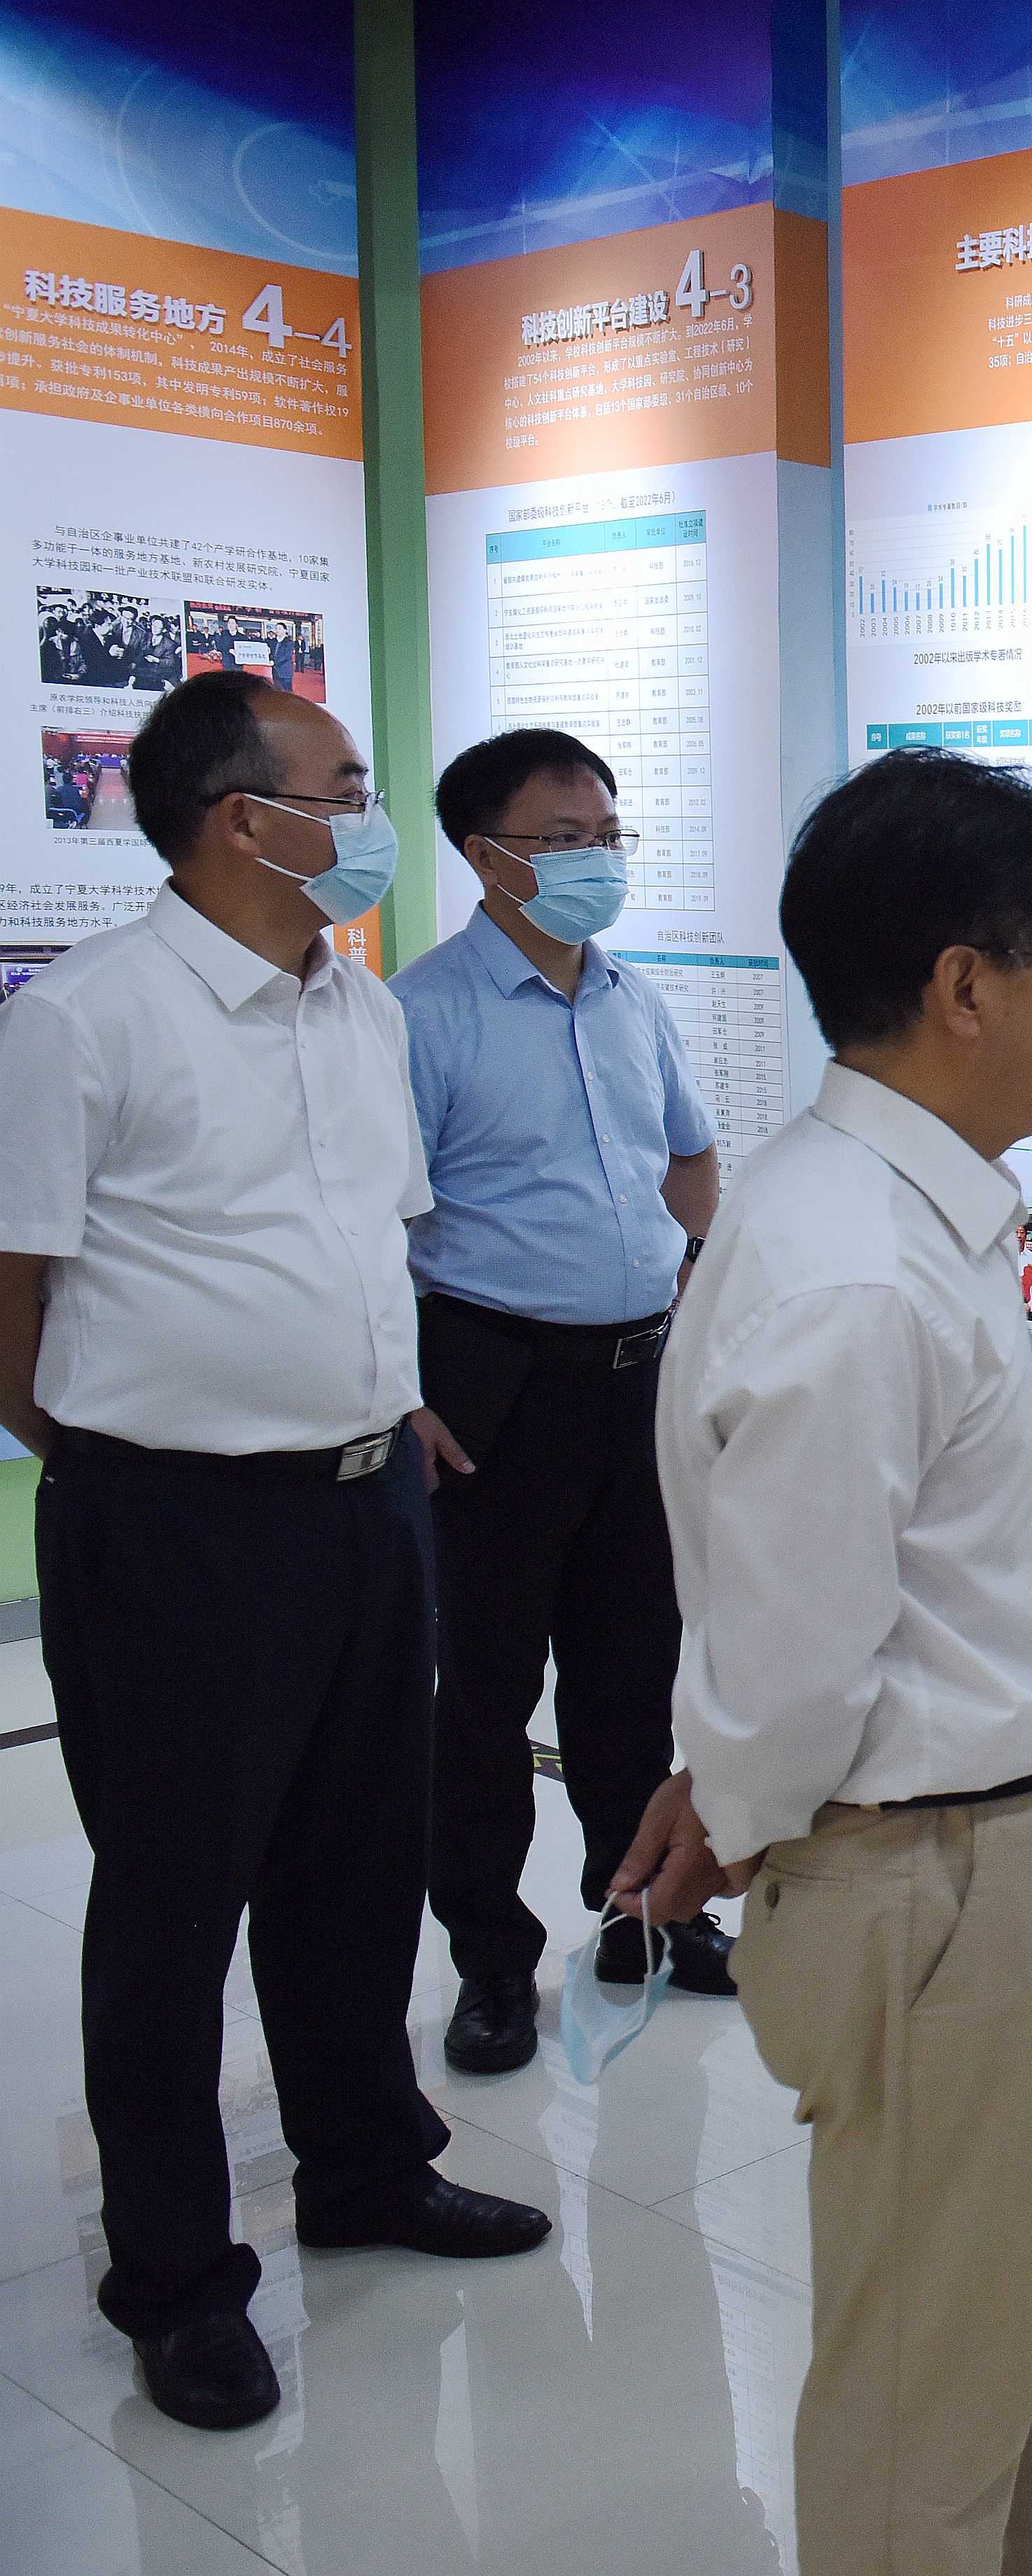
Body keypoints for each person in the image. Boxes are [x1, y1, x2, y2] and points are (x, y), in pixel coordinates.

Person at [608, 747, 1032, 2576]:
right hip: (935, 1871)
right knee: (931, 2370)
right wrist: (739, 1799)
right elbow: (799, 1655)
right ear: (967, 985)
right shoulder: (851, 1267)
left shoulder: (926, 1206)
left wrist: (723, 1769)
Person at [0, 671, 556, 2433]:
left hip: (367, 1498)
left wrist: (383, 1412)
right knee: (173, 1904)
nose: (371, 815)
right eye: (346, 785)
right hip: (174, 1521)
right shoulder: (86, 1018)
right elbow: (14, 1291)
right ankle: (175, 2278)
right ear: (244, 819)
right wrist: (119, 1459)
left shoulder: (357, 1005)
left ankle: (366, 2164)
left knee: (355, 1862)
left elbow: (365, 1243)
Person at [397, 728, 725, 2077]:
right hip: (493, 1385)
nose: (599, 860)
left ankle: (642, 1913)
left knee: (631, 1675)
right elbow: (367, 1220)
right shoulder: (422, 1015)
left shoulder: (634, 1000)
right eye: (564, 840)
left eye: (608, 836)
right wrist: (398, 1390)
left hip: (638, 1377)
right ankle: (490, 1961)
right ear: (487, 857)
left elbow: (690, 1160)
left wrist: (691, 1282)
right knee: (480, 1695)